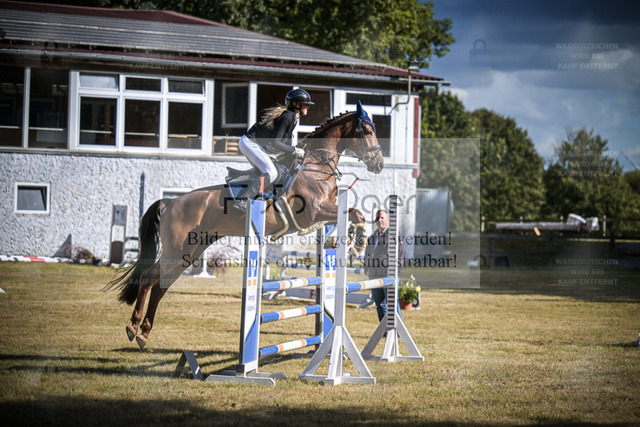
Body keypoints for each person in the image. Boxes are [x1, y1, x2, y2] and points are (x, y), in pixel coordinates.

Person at [233, 88, 313, 212]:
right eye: (306, 104)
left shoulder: (292, 118)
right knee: (271, 173)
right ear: (297, 105)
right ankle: (242, 200)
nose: (308, 107)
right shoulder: (288, 117)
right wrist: (294, 150)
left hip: (251, 143)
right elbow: (275, 142)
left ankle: (253, 192)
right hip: (250, 143)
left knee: (273, 170)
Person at [363, 209, 406, 322]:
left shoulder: (395, 235)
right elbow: (367, 253)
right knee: (380, 304)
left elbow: (401, 255)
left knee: (392, 304)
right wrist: (366, 268)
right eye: (377, 218)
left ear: (388, 219)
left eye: (382, 217)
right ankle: (384, 329)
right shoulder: (373, 237)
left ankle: (397, 329)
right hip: (374, 275)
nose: (379, 220)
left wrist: (395, 272)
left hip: (388, 275)